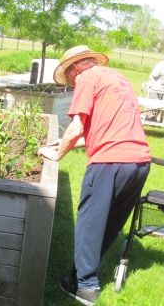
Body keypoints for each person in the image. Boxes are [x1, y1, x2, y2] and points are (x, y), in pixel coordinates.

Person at [38, 45, 151, 306]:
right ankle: (78, 278)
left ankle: (87, 288)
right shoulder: (119, 80)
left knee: (89, 223)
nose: (70, 83)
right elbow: (99, 132)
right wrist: (59, 143)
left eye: (68, 77)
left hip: (109, 163)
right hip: (139, 163)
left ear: (75, 67)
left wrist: (57, 155)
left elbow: (77, 126)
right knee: (108, 223)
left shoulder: (86, 78)